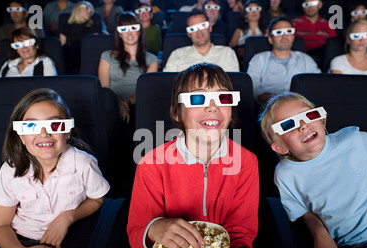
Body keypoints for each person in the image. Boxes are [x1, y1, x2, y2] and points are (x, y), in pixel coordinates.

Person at [117, 62, 280, 248]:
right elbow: (137, 231)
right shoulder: (151, 163)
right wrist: (154, 229)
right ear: (176, 113)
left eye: (223, 99)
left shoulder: (246, 162)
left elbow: (241, 231)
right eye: (197, 100)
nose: (213, 107)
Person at [260, 91, 367, 248]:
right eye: (288, 125)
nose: (303, 125)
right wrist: (319, 233)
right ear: (280, 146)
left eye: (308, 116)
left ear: (321, 119)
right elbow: (301, 210)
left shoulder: (354, 142)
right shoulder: (285, 174)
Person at [0, 88, 110, 248]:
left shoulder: (82, 163)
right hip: (7, 246)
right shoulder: (11, 169)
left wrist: (68, 216)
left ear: (68, 132)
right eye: (32, 126)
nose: (44, 134)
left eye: (55, 125)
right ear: (21, 135)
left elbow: (98, 198)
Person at [98, 12, 158, 195]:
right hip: (111, 105)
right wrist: (119, 102)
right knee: (107, 98)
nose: (129, 33)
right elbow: (104, 88)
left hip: (137, 104)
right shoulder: (107, 56)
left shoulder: (152, 60)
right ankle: (115, 181)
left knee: (136, 116)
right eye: (124, 29)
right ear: (119, 33)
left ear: (140, 31)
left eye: (133, 27)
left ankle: (131, 184)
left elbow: (147, 87)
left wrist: (127, 102)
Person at [247, 16, 320, 108]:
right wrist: (282, 102)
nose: (284, 36)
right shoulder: (259, 59)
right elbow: (254, 88)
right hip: (270, 107)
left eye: (289, 31)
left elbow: (317, 85)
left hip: (302, 107)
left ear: (293, 37)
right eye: (279, 32)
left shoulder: (306, 59)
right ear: (270, 39)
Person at [163, 10, 239, 72]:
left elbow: (233, 84)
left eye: (202, 26)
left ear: (210, 28)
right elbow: (168, 84)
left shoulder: (227, 53)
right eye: (193, 29)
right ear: (188, 34)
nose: (199, 31)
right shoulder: (177, 54)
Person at [59, 1, 104, 74]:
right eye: (86, 8)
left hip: (87, 58)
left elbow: (95, 47)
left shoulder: (92, 28)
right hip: (70, 60)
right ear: (77, 9)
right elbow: (62, 48)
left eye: (91, 11)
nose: (89, 11)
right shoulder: (65, 27)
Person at [293, 0, 337, 67]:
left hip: (322, 58)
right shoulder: (294, 23)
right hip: (300, 58)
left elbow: (333, 45)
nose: (310, 7)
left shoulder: (328, 24)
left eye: (313, 3)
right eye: (306, 4)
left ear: (320, 5)